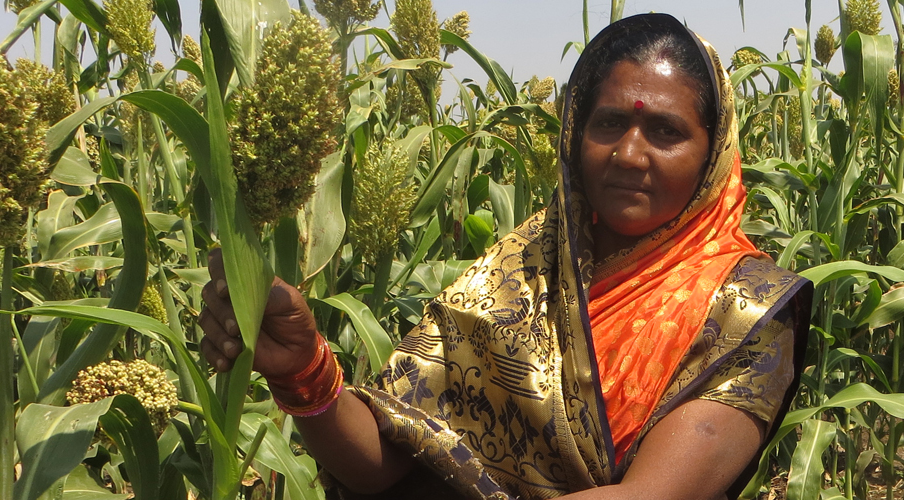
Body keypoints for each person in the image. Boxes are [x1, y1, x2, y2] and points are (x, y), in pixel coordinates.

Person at [199, 13, 812, 500]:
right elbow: (385, 462)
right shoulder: (515, 275)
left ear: (713, 152)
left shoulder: (747, 312)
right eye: (609, 123)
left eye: (665, 132)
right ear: (574, 132)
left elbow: (649, 494)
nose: (629, 153)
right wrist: (303, 367)